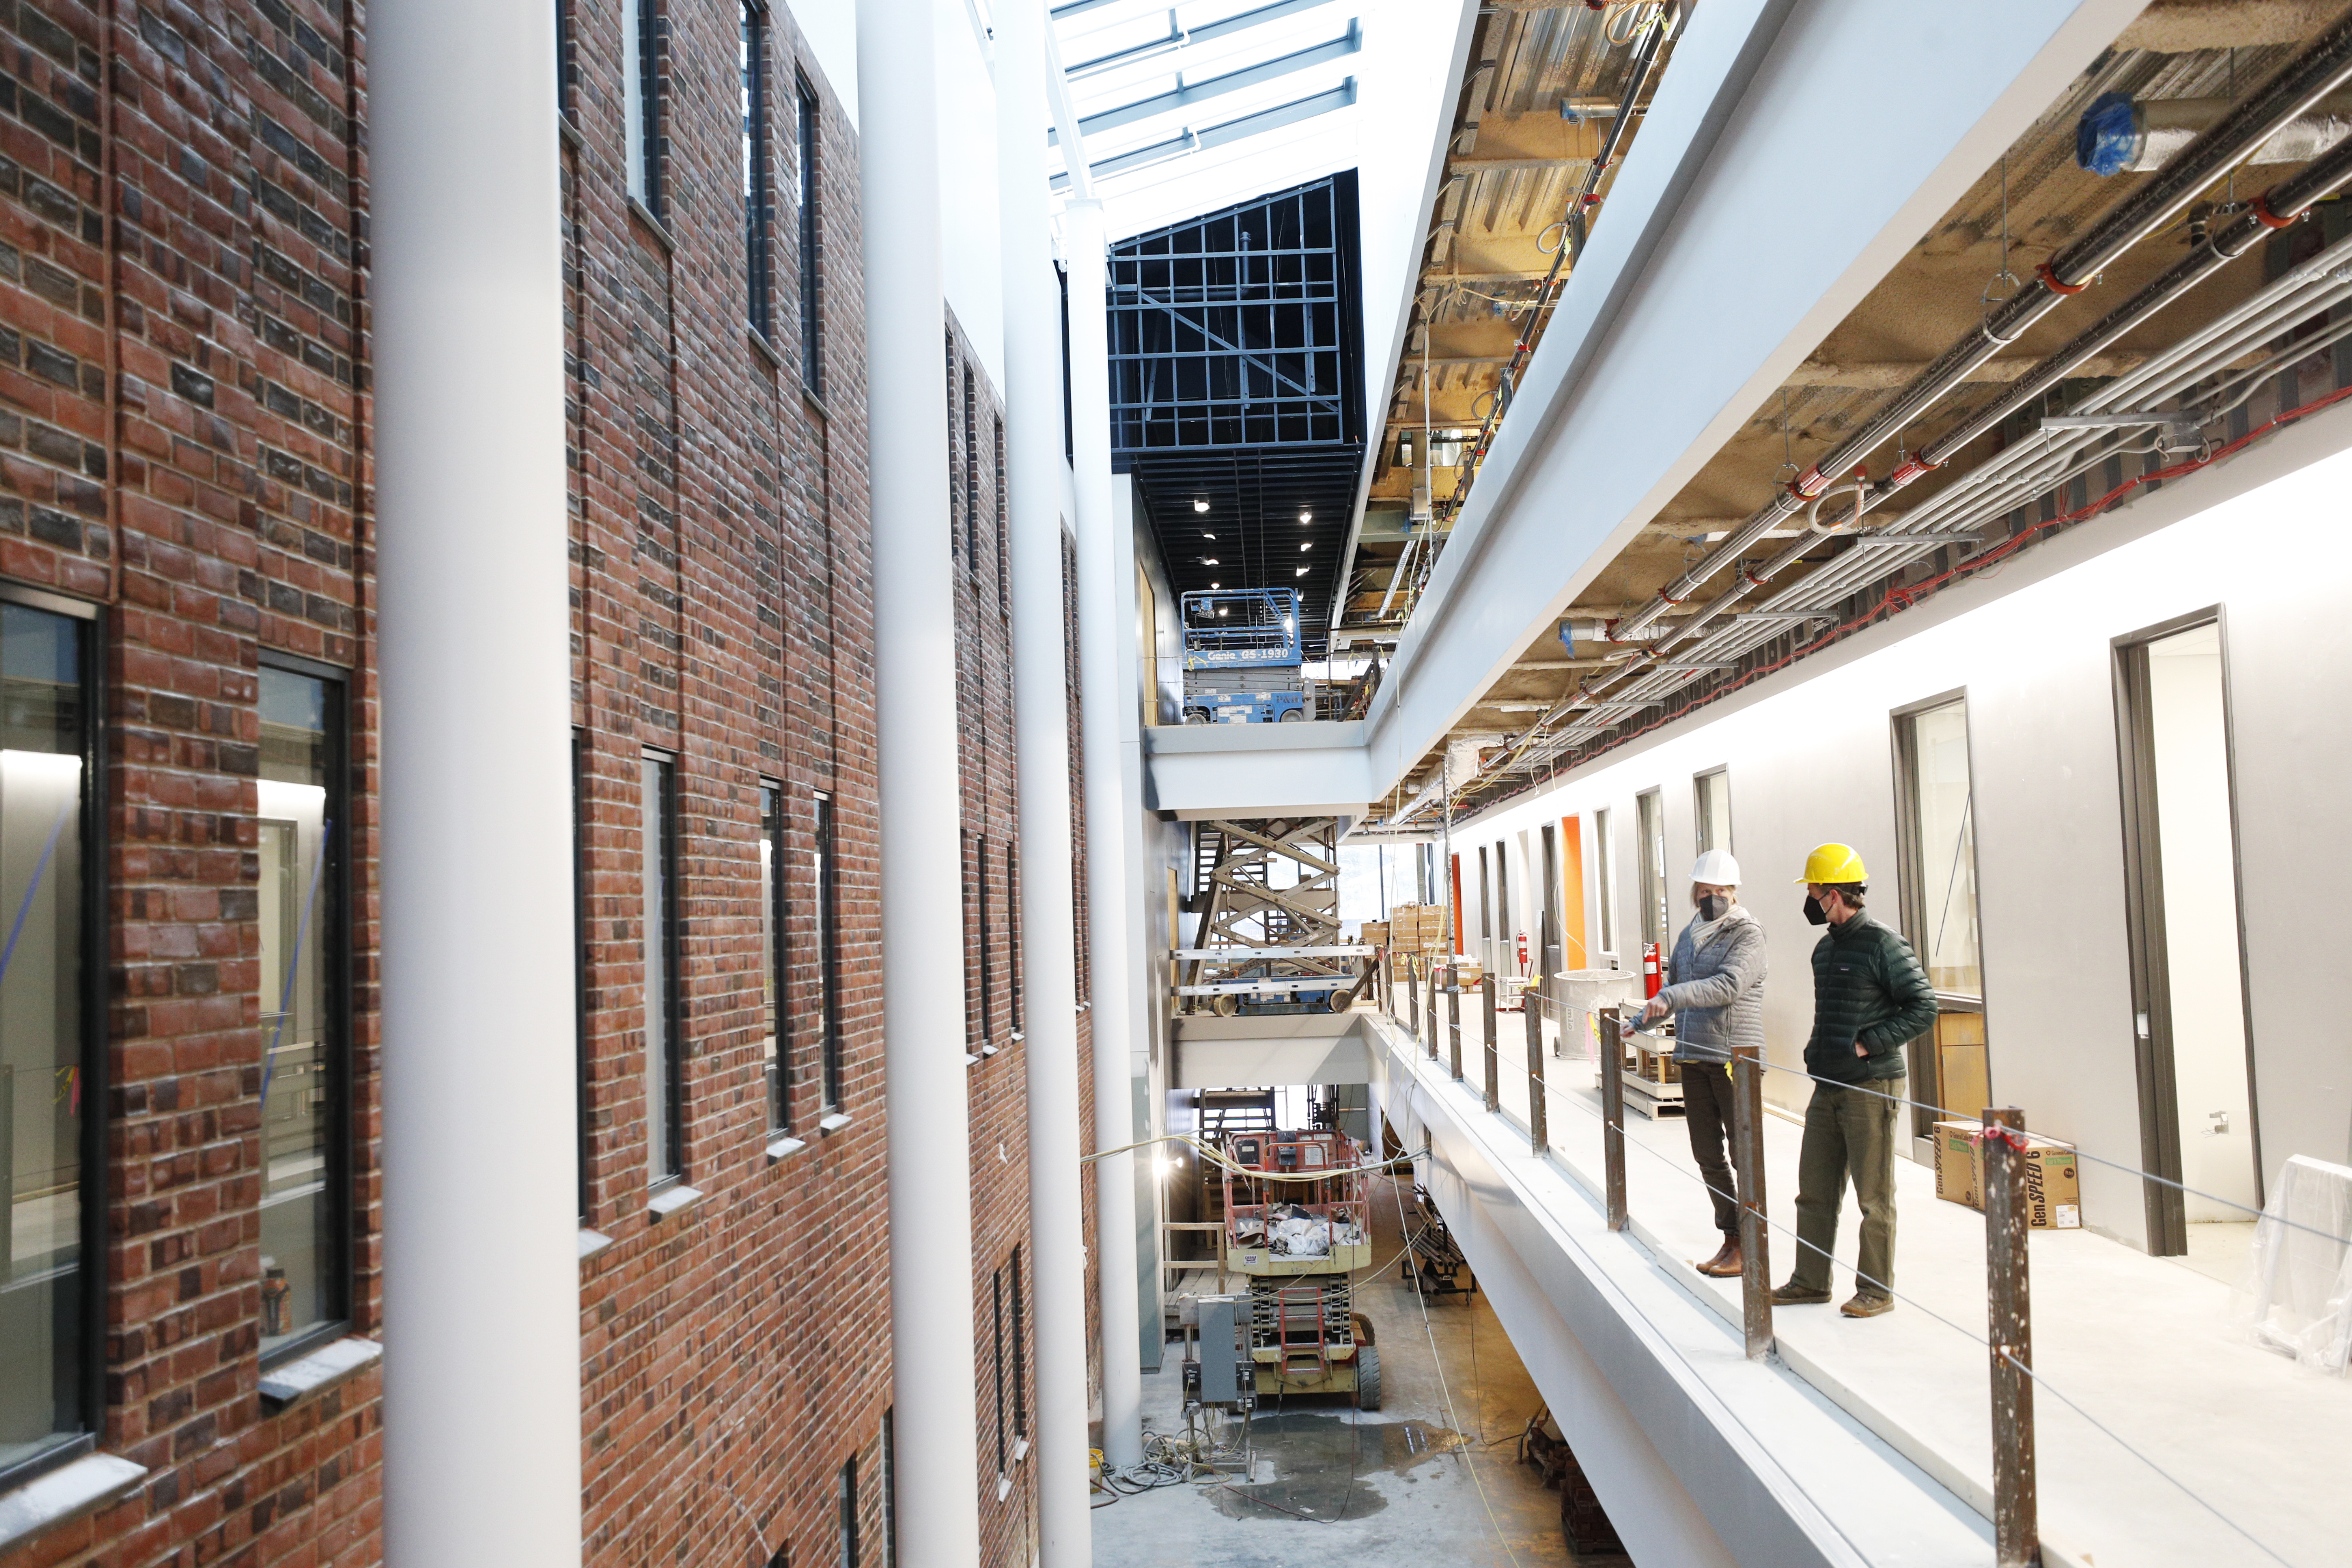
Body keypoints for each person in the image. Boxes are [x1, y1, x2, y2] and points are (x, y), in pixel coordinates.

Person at [1772, 844, 1937, 1318]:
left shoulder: (1884, 944)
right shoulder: (1825, 949)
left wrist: (1870, 1043)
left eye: (1816, 891)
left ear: (1836, 893)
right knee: (1814, 1192)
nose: (1811, 899)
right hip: (1828, 1085)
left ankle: (1876, 1290)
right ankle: (1810, 1282)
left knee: (1874, 1197)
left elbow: (1924, 1006)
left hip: (1871, 1087)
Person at [1636, 849, 1765, 1279]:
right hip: (1693, 1055)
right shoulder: (1692, 932)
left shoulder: (1747, 934)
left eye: (1719, 891)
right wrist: (1641, 1019)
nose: (1711, 897)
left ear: (1733, 892)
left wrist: (1671, 997)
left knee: (1743, 1154)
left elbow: (1728, 986)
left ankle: (1752, 1245)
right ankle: (1730, 1237)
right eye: (1704, 891)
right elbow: (1674, 985)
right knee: (1707, 1155)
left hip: (1733, 1059)